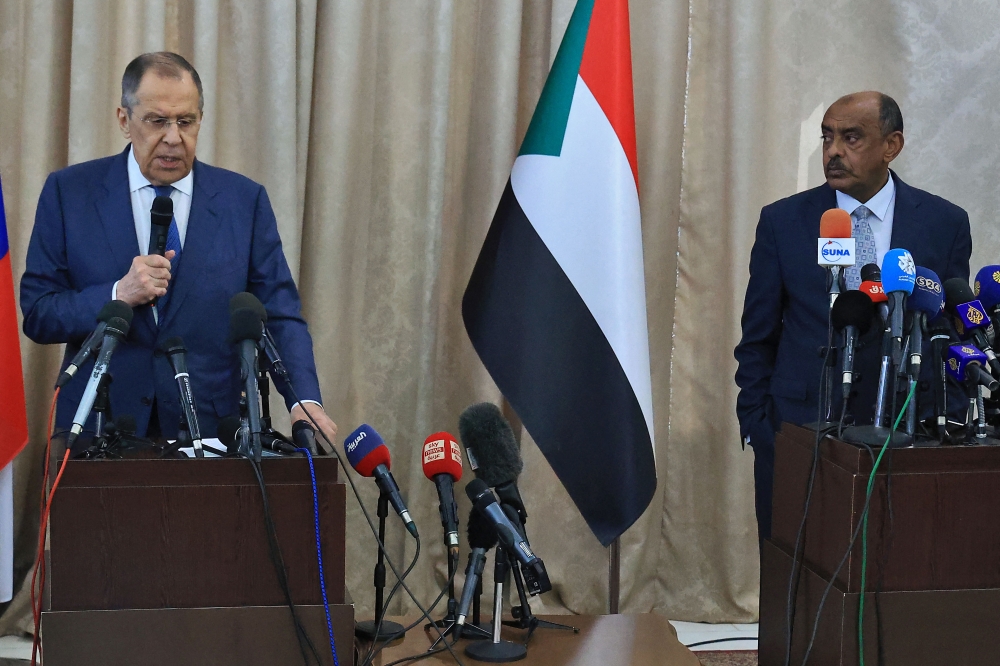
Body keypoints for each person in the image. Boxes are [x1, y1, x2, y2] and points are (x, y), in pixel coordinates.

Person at [20, 52, 338, 445]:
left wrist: (302, 398)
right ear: (125, 120)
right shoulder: (70, 193)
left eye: (185, 121)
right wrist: (118, 294)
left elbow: (279, 314)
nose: (173, 137)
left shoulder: (243, 201)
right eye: (157, 121)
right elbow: (38, 312)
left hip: (210, 434)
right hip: (100, 432)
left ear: (200, 120)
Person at [734, 91, 971, 540]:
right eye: (827, 138)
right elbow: (757, 336)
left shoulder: (944, 222)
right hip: (800, 431)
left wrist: (943, 421)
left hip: (905, 431)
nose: (834, 151)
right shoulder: (783, 222)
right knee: (795, 579)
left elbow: (944, 327)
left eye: (852, 137)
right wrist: (760, 426)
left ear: (891, 145)